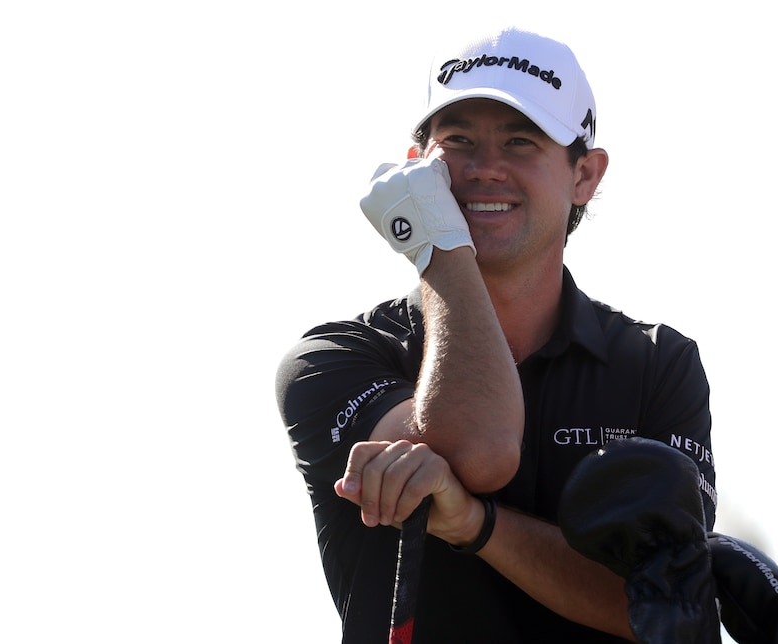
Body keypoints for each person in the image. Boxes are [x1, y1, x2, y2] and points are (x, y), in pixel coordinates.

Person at [274, 26, 717, 642]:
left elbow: (665, 609)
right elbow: (480, 447)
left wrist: (476, 524)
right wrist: (441, 248)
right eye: (457, 141)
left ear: (585, 175)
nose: (485, 169)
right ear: (417, 171)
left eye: (520, 141)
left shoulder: (657, 362)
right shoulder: (335, 358)